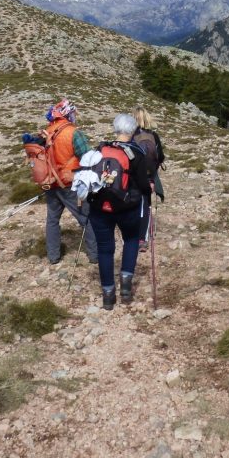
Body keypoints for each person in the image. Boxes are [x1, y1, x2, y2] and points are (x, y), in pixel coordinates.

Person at [21, 98, 98, 265]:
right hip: (70, 183)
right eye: (73, 112)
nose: (74, 115)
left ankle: (53, 256)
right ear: (67, 113)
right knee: (86, 218)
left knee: (52, 220)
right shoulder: (72, 132)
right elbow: (88, 158)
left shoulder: (47, 132)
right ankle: (95, 255)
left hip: (51, 183)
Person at [85, 113, 151, 310]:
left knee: (105, 249)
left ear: (115, 129)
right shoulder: (136, 152)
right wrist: (148, 191)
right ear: (132, 131)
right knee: (131, 240)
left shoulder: (100, 149)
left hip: (99, 207)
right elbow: (142, 185)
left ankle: (107, 296)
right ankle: (126, 288)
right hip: (127, 207)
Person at [131, 107, 165, 252]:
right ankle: (142, 239)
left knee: (132, 204)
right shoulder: (153, 136)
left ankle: (131, 234)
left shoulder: (130, 135)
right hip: (148, 176)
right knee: (146, 205)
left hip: (132, 176)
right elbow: (160, 156)